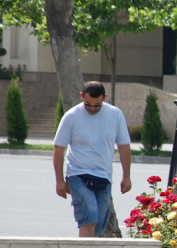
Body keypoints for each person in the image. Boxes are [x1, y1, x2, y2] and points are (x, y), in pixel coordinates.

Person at [53, 81, 132, 238]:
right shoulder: (71, 116)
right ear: (82, 96)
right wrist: (60, 181)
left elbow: (124, 146)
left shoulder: (115, 114)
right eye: (88, 104)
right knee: (88, 217)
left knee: (98, 225)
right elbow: (59, 149)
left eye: (97, 105)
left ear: (105, 98)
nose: (92, 109)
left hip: (103, 176)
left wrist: (126, 177)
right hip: (77, 174)